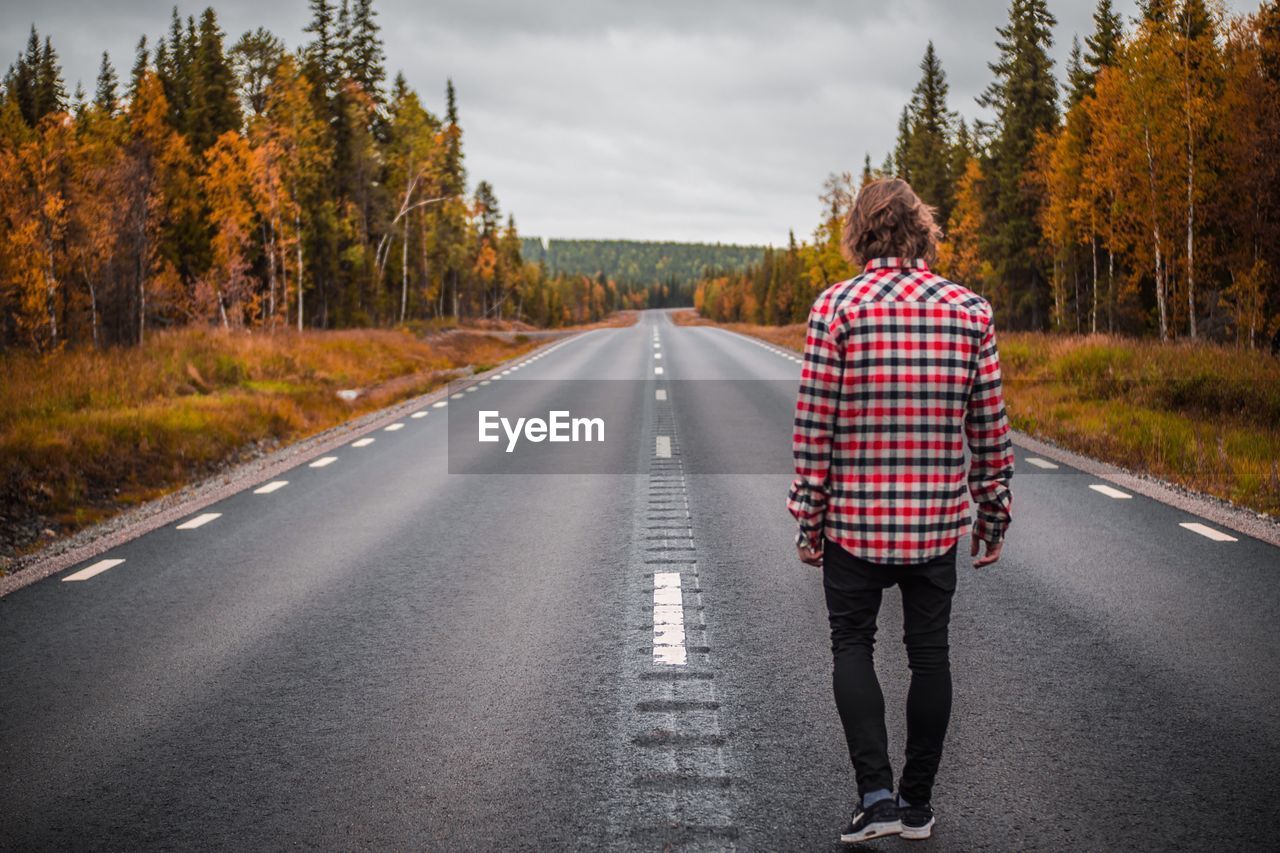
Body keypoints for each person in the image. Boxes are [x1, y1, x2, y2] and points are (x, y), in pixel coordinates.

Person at [787, 178, 1014, 843]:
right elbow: (990, 428)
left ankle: (877, 797)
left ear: (859, 233)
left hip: (854, 525)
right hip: (933, 525)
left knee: (852, 644)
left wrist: (809, 517)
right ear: (923, 230)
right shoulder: (970, 311)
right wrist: (991, 513)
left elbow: (813, 429)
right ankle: (918, 804)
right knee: (930, 654)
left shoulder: (836, 309)